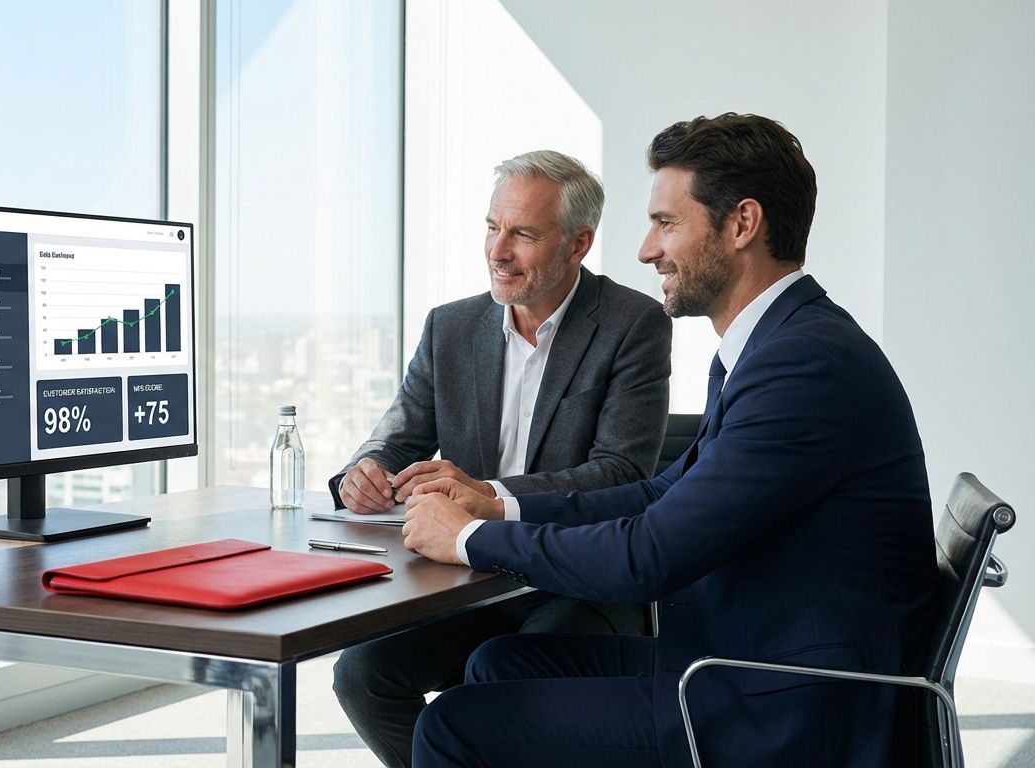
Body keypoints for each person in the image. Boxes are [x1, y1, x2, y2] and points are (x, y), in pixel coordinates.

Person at [403, 114, 938, 768]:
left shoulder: (804, 366)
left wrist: (464, 539)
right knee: (501, 661)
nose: (645, 250)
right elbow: (662, 492)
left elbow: (651, 557)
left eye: (667, 223)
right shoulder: (775, 347)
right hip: (744, 661)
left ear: (742, 224)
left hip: (785, 705)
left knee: (453, 727)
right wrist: (496, 503)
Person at [330, 150, 673, 768]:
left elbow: (622, 473)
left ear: (578, 244)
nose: (498, 250)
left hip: (577, 583)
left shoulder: (632, 324)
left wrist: (486, 492)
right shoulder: (450, 327)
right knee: (362, 674)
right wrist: (366, 470)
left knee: (502, 685)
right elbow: (398, 436)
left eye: (523, 234)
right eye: (492, 227)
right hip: (466, 583)